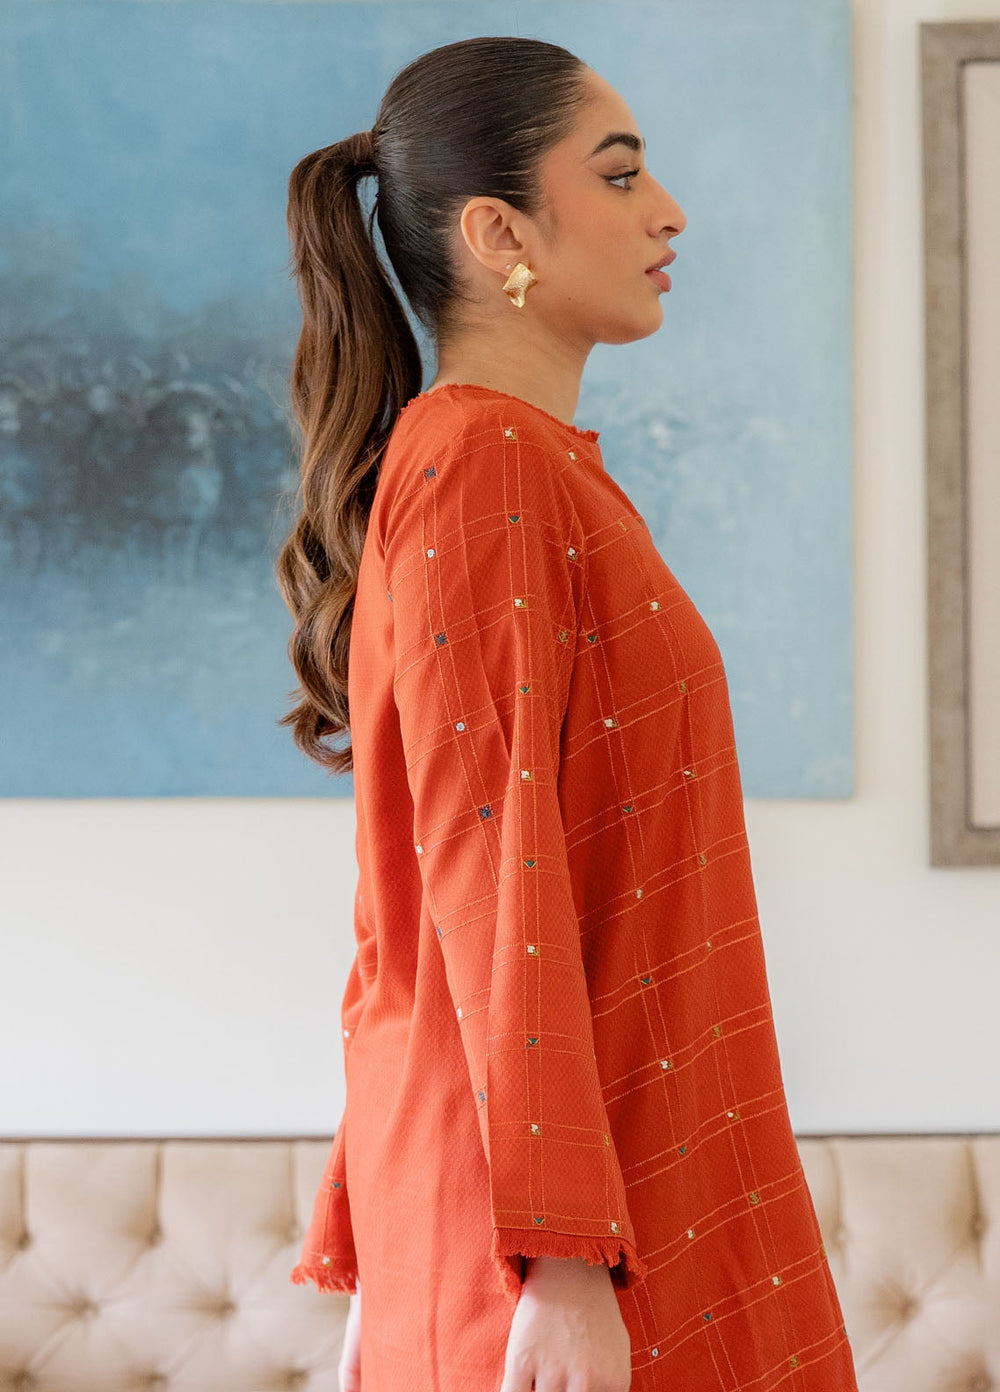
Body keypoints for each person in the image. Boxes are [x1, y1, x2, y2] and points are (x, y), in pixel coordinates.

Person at [278, 34, 860, 1392]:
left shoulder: (513, 465)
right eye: (620, 173)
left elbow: (416, 901)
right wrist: (558, 1261)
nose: (670, 213)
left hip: (594, 1199)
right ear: (499, 235)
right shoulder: (484, 465)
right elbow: (484, 876)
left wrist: (385, 1230)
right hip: (561, 1248)